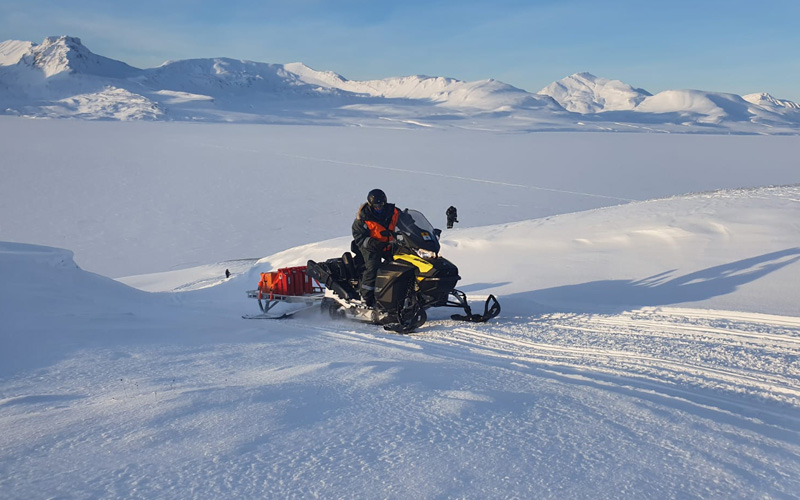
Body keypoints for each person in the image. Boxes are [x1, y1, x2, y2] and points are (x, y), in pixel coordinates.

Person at [352, 188, 399, 307]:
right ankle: (366, 297)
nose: (379, 208)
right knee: (373, 266)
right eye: (376, 206)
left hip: (390, 244)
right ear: (370, 205)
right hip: (370, 246)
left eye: (381, 205)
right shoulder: (363, 217)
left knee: (402, 263)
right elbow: (359, 237)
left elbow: (407, 222)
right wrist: (375, 244)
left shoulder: (393, 212)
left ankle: (399, 293)